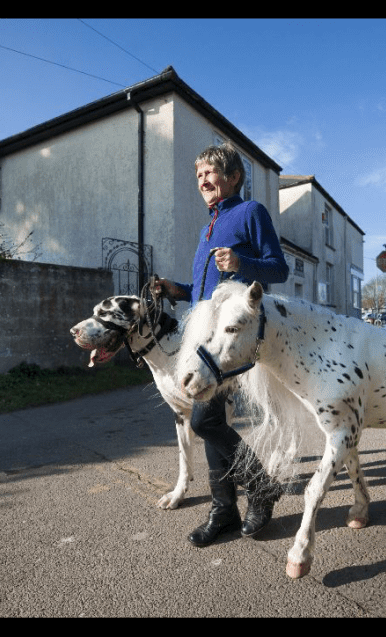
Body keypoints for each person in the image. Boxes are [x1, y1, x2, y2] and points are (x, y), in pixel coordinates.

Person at [155, 142, 289, 547]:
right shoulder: (208, 227)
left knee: (204, 421)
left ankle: (260, 487)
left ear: (233, 177)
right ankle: (225, 510)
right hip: (205, 336)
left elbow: (278, 268)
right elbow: (203, 290)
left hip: (231, 341)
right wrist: (174, 288)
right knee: (213, 423)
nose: (202, 181)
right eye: (198, 176)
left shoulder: (251, 213)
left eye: (209, 173)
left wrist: (240, 263)